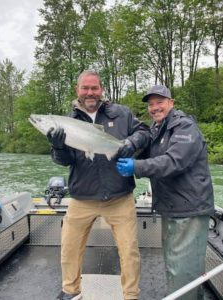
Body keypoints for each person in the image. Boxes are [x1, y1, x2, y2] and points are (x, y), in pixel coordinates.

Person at [46, 70, 150, 300]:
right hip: (82, 197)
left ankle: (131, 295)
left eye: (94, 88)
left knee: (129, 251)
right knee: (69, 250)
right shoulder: (66, 121)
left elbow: (145, 132)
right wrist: (58, 147)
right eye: (85, 88)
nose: (90, 93)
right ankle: (71, 292)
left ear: (101, 89)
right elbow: (65, 162)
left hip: (119, 196)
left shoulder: (121, 114)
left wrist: (131, 142)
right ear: (77, 90)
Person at [116, 85, 215, 299]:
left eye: (159, 102)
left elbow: (174, 161)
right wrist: (126, 146)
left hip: (189, 211)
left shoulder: (184, 127)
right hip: (172, 208)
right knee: (175, 266)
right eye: (151, 104)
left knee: (182, 272)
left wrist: (137, 167)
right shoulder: (158, 129)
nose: (154, 107)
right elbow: (146, 150)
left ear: (171, 103)